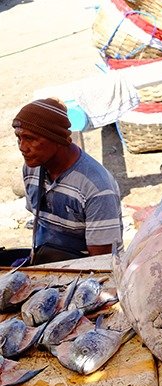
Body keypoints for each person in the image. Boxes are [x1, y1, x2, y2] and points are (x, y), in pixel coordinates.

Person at [12, 98, 123, 264]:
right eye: (19, 138)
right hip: (48, 262)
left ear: (57, 139)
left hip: (87, 272)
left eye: (30, 138)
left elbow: (102, 262)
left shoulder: (97, 187)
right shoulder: (31, 168)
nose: (22, 147)